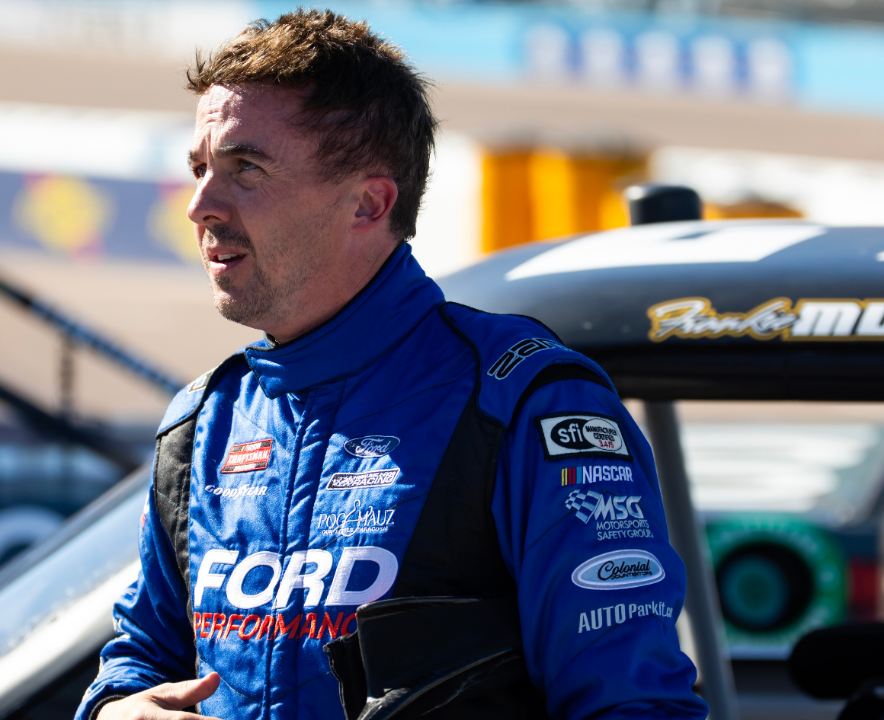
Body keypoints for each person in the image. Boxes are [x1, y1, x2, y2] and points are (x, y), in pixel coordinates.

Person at [78, 9, 708, 720]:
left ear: (369, 202)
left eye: (244, 169)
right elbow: (138, 657)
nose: (200, 206)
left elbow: (633, 706)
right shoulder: (203, 423)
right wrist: (119, 712)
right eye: (199, 169)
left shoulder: (525, 406)